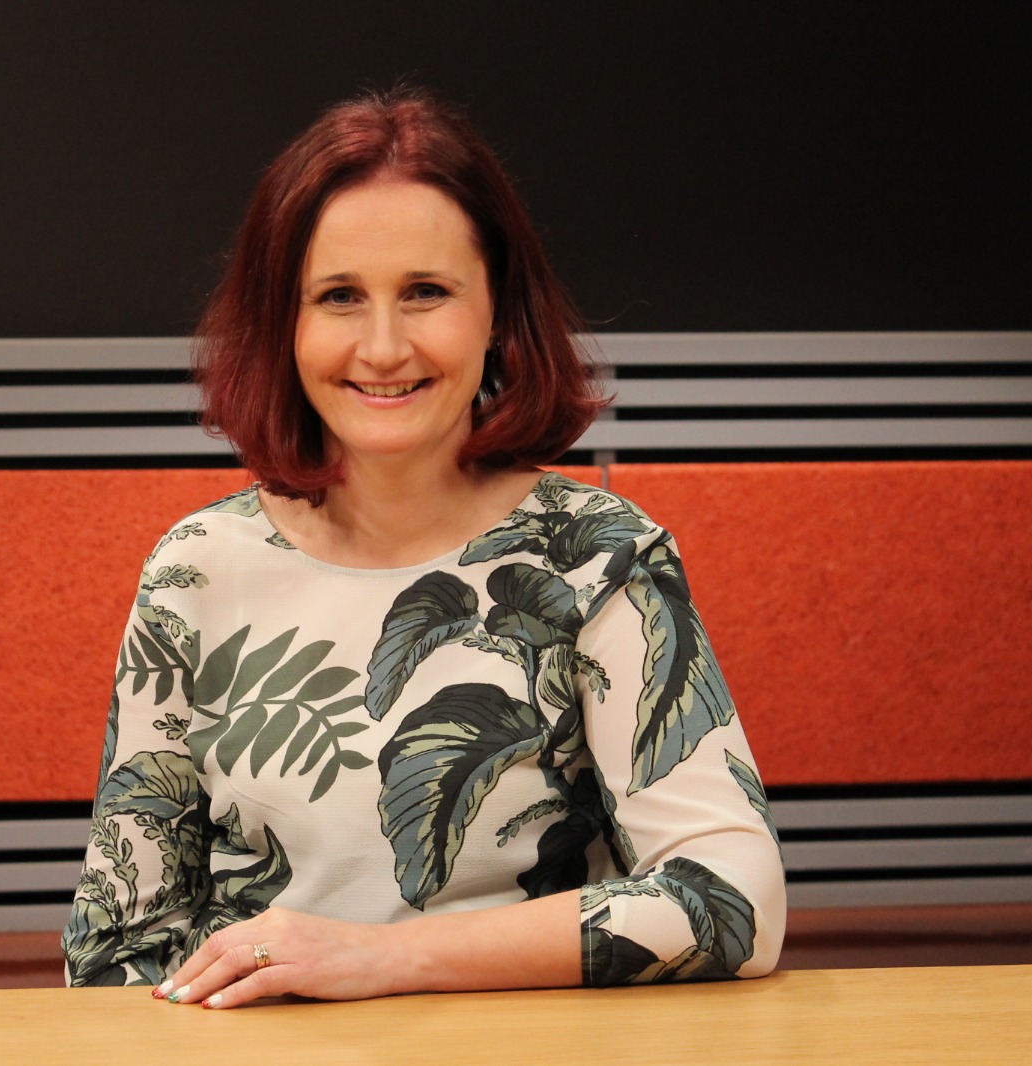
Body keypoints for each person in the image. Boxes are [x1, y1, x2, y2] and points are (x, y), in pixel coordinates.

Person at [62, 88, 785, 1008]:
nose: (383, 347)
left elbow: (733, 898)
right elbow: (119, 952)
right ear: (284, 324)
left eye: (426, 293)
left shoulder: (597, 556)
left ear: (498, 312)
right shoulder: (194, 571)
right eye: (338, 298)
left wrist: (382, 961)